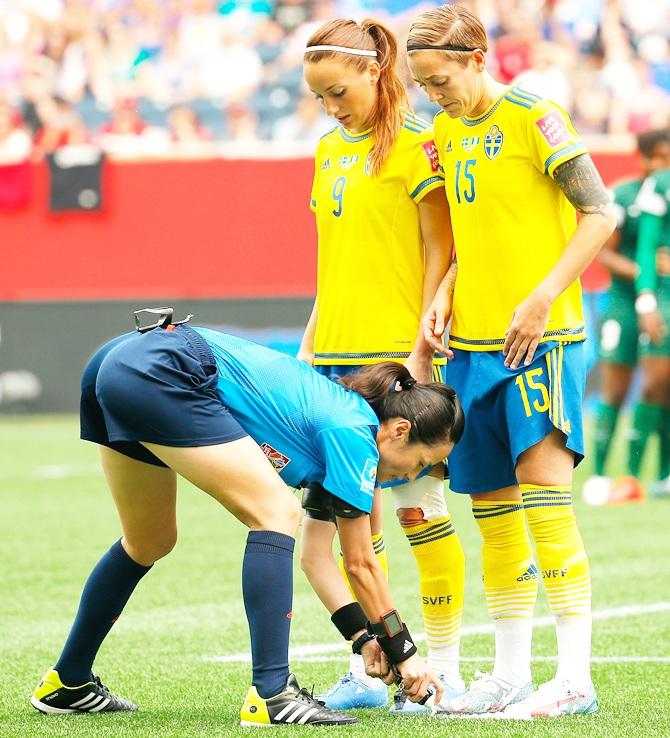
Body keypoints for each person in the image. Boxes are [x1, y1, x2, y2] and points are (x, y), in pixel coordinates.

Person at [30, 310, 463, 725]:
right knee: (275, 512)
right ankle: (272, 693)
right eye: (419, 462)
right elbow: (361, 564)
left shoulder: (341, 437)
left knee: (149, 541)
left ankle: (67, 683)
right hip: (161, 367)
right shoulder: (354, 435)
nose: (409, 476)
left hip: (121, 360)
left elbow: (316, 559)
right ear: (400, 430)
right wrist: (406, 655)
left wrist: (363, 638)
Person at [406, 4, 616, 718]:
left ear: (476, 59)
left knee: (548, 509)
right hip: (470, 350)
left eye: (441, 80)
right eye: (423, 85)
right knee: (492, 516)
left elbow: (602, 212)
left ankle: (576, 679)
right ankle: (510, 673)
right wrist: (444, 292)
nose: (435, 96)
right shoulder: (440, 130)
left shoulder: (535, 115)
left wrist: (543, 296)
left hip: (542, 344)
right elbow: (472, 232)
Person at [298, 17, 466, 714]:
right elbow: (331, 262)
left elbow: (443, 248)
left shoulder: (421, 147)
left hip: (401, 358)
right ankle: (373, 669)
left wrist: (421, 345)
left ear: (373, 71)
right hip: (333, 360)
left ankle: (446, 664)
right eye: (319, 98)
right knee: (352, 528)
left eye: (339, 91)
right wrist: (307, 346)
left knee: (419, 513)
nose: (333, 108)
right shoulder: (326, 149)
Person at [583, 129, 670, 505]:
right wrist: (644, 270)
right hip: (623, 302)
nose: (664, 165)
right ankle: (601, 474)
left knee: (659, 386)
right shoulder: (624, 195)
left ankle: (656, 473)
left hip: (661, 300)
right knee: (615, 389)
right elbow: (606, 254)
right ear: (645, 158)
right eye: (660, 157)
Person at [632, 145, 670, 497]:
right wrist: (646, 301)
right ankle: (633, 474)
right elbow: (646, 247)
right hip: (665, 300)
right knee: (655, 385)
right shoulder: (660, 184)